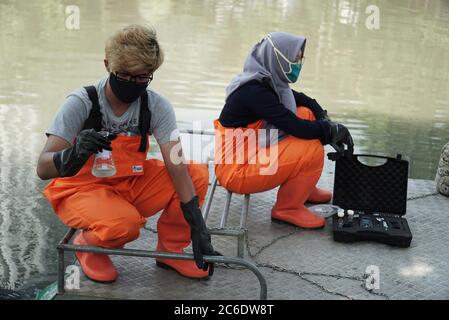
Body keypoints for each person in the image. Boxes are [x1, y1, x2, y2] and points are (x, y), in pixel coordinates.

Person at [36, 24, 216, 282]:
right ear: (108, 65)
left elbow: (175, 163)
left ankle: (171, 251)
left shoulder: (156, 106)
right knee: (125, 225)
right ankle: (88, 246)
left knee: (195, 173)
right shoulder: (81, 103)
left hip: (129, 184)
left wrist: (198, 226)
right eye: (125, 76)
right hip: (81, 190)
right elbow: (42, 168)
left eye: (142, 77)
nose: (133, 84)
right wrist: (74, 152)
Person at [214, 32, 354, 229]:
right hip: (237, 171)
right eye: (295, 59)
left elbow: (304, 101)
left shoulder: (266, 80)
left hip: (250, 151)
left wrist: (323, 117)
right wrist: (332, 130)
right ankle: (287, 208)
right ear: (277, 58)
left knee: (305, 113)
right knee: (311, 148)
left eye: (300, 59)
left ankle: (302, 188)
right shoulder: (255, 92)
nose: (299, 63)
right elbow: (295, 127)